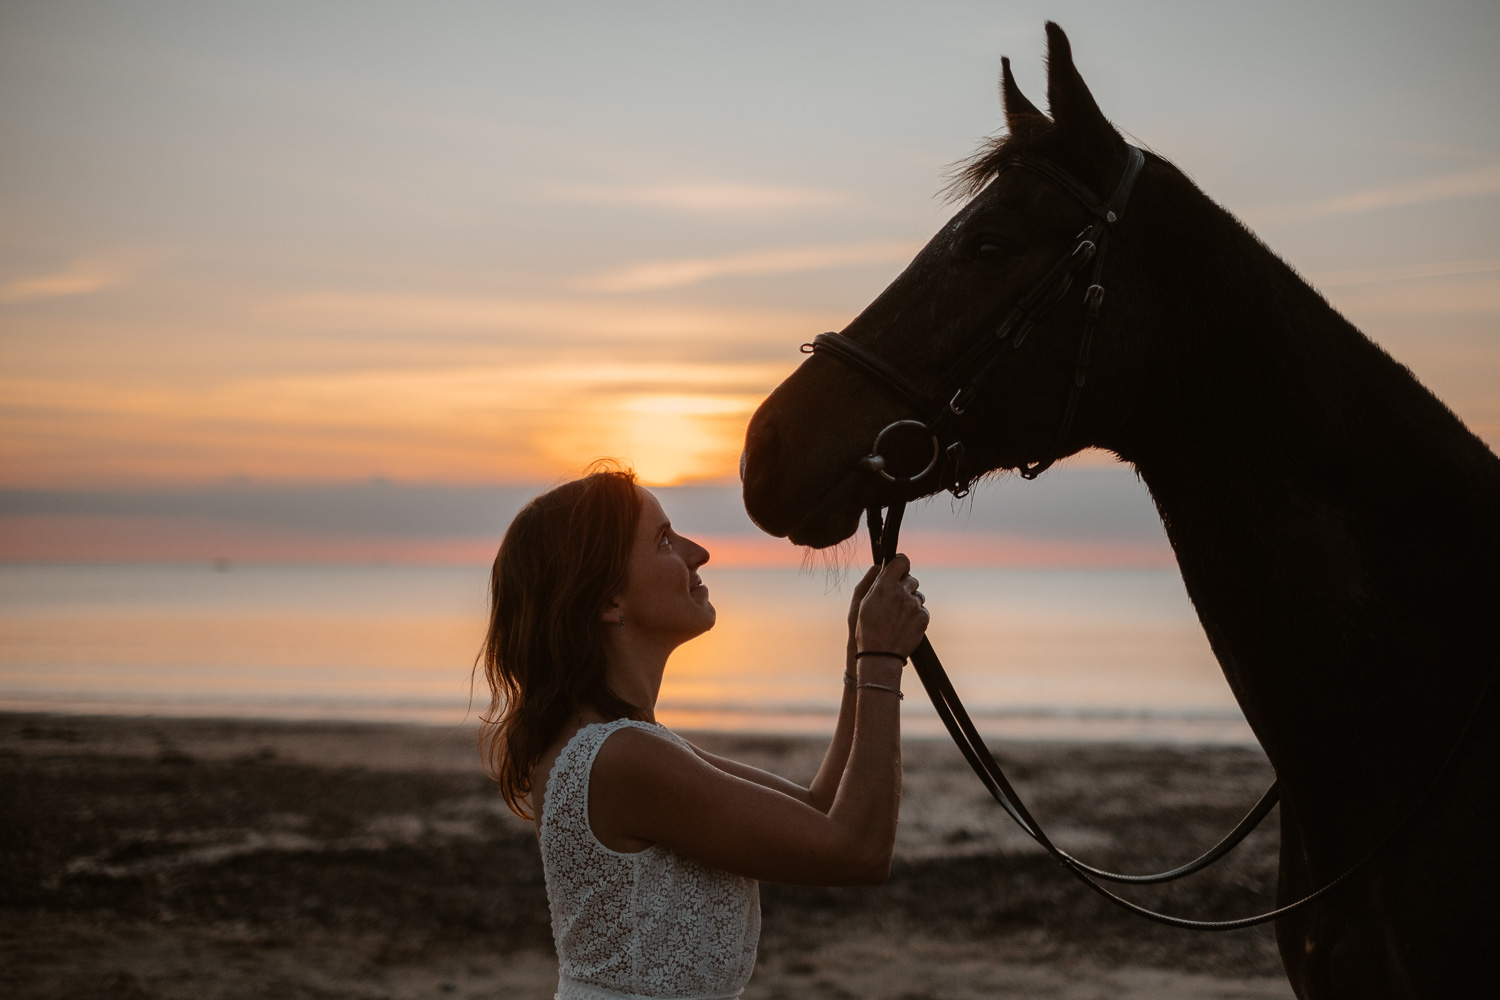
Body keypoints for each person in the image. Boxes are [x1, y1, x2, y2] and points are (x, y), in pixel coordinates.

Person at [477, 464, 928, 1000]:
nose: (698, 552)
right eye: (664, 541)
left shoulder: (629, 743)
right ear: (608, 602)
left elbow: (819, 806)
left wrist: (860, 656)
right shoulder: (622, 758)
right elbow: (856, 851)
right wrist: (882, 661)